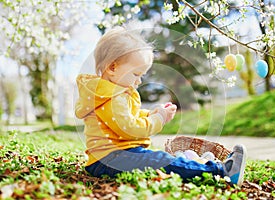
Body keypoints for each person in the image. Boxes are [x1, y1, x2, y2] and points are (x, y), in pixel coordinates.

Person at [75, 25, 247, 186]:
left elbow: (126, 116)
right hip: (110, 160)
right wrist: (158, 119)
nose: (139, 80)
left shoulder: (108, 92)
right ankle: (222, 171)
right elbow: (129, 128)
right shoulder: (111, 96)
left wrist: (151, 114)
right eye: (136, 74)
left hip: (110, 158)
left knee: (158, 159)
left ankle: (212, 168)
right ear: (112, 67)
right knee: (160, 160)